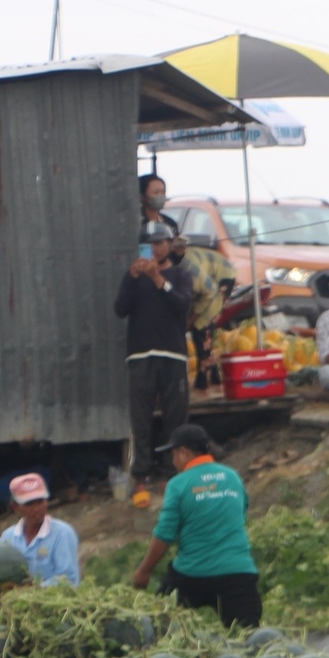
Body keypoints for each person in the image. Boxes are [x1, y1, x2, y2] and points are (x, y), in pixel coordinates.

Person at [131, 425, 261, 627]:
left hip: (192, 576)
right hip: (238, 574)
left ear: (183, 453)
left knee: (157, 624)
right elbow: (241, 512)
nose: (173, 462)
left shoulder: (178, 484)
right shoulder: (233, 476)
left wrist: (144, 571)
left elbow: (165, 533)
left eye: (173, 455)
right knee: (249, 640)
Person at [115, 222, 194, 484]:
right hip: (140, 355)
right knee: (141, 417)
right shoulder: (134, 277)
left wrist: (158, 279)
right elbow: (120, 308)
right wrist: (133, 277)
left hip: (173, 354)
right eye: (149, 245)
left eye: (160, 243)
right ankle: (142, 472)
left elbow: (181, 305)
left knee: (176, 414)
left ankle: (175, 469)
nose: (155, 249)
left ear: (169, 244)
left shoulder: (181, 275)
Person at [174, 235, 237, 392]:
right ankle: (214, 376)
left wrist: (192, 319)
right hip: (202, 287)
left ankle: (205, 380)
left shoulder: (188, 268)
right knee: (199, 328)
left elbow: (210, 292)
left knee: (202, 327)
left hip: (221, 278)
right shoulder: (158, 264)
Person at [0, 474, 80, 587]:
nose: (36, 508)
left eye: (40, 501)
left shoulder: (62, 533)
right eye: (29, 504)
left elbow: (68, 579)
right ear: (15, 507)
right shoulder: (8, 538)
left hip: (57, 601)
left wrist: (33, 589)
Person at [139, 174, 179, 240]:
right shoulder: (137, 222)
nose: (160, 196)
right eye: (156, 192)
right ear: (142, 196)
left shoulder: (170, 223)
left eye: (163, 192)